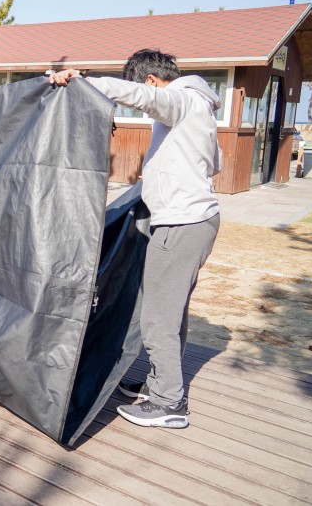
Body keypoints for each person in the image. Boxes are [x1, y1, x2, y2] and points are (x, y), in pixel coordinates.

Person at [49, 48, 222, 429]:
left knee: (158, 316)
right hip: (195, 220)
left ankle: (168, 403)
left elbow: (147, 99)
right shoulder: (201, 109)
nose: (146, 109)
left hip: (183, 224)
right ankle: (161, 383)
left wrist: (84, 82)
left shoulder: (185, 101)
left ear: (151, 81)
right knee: (171, 311)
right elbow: (216, 161)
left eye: (143, 92)